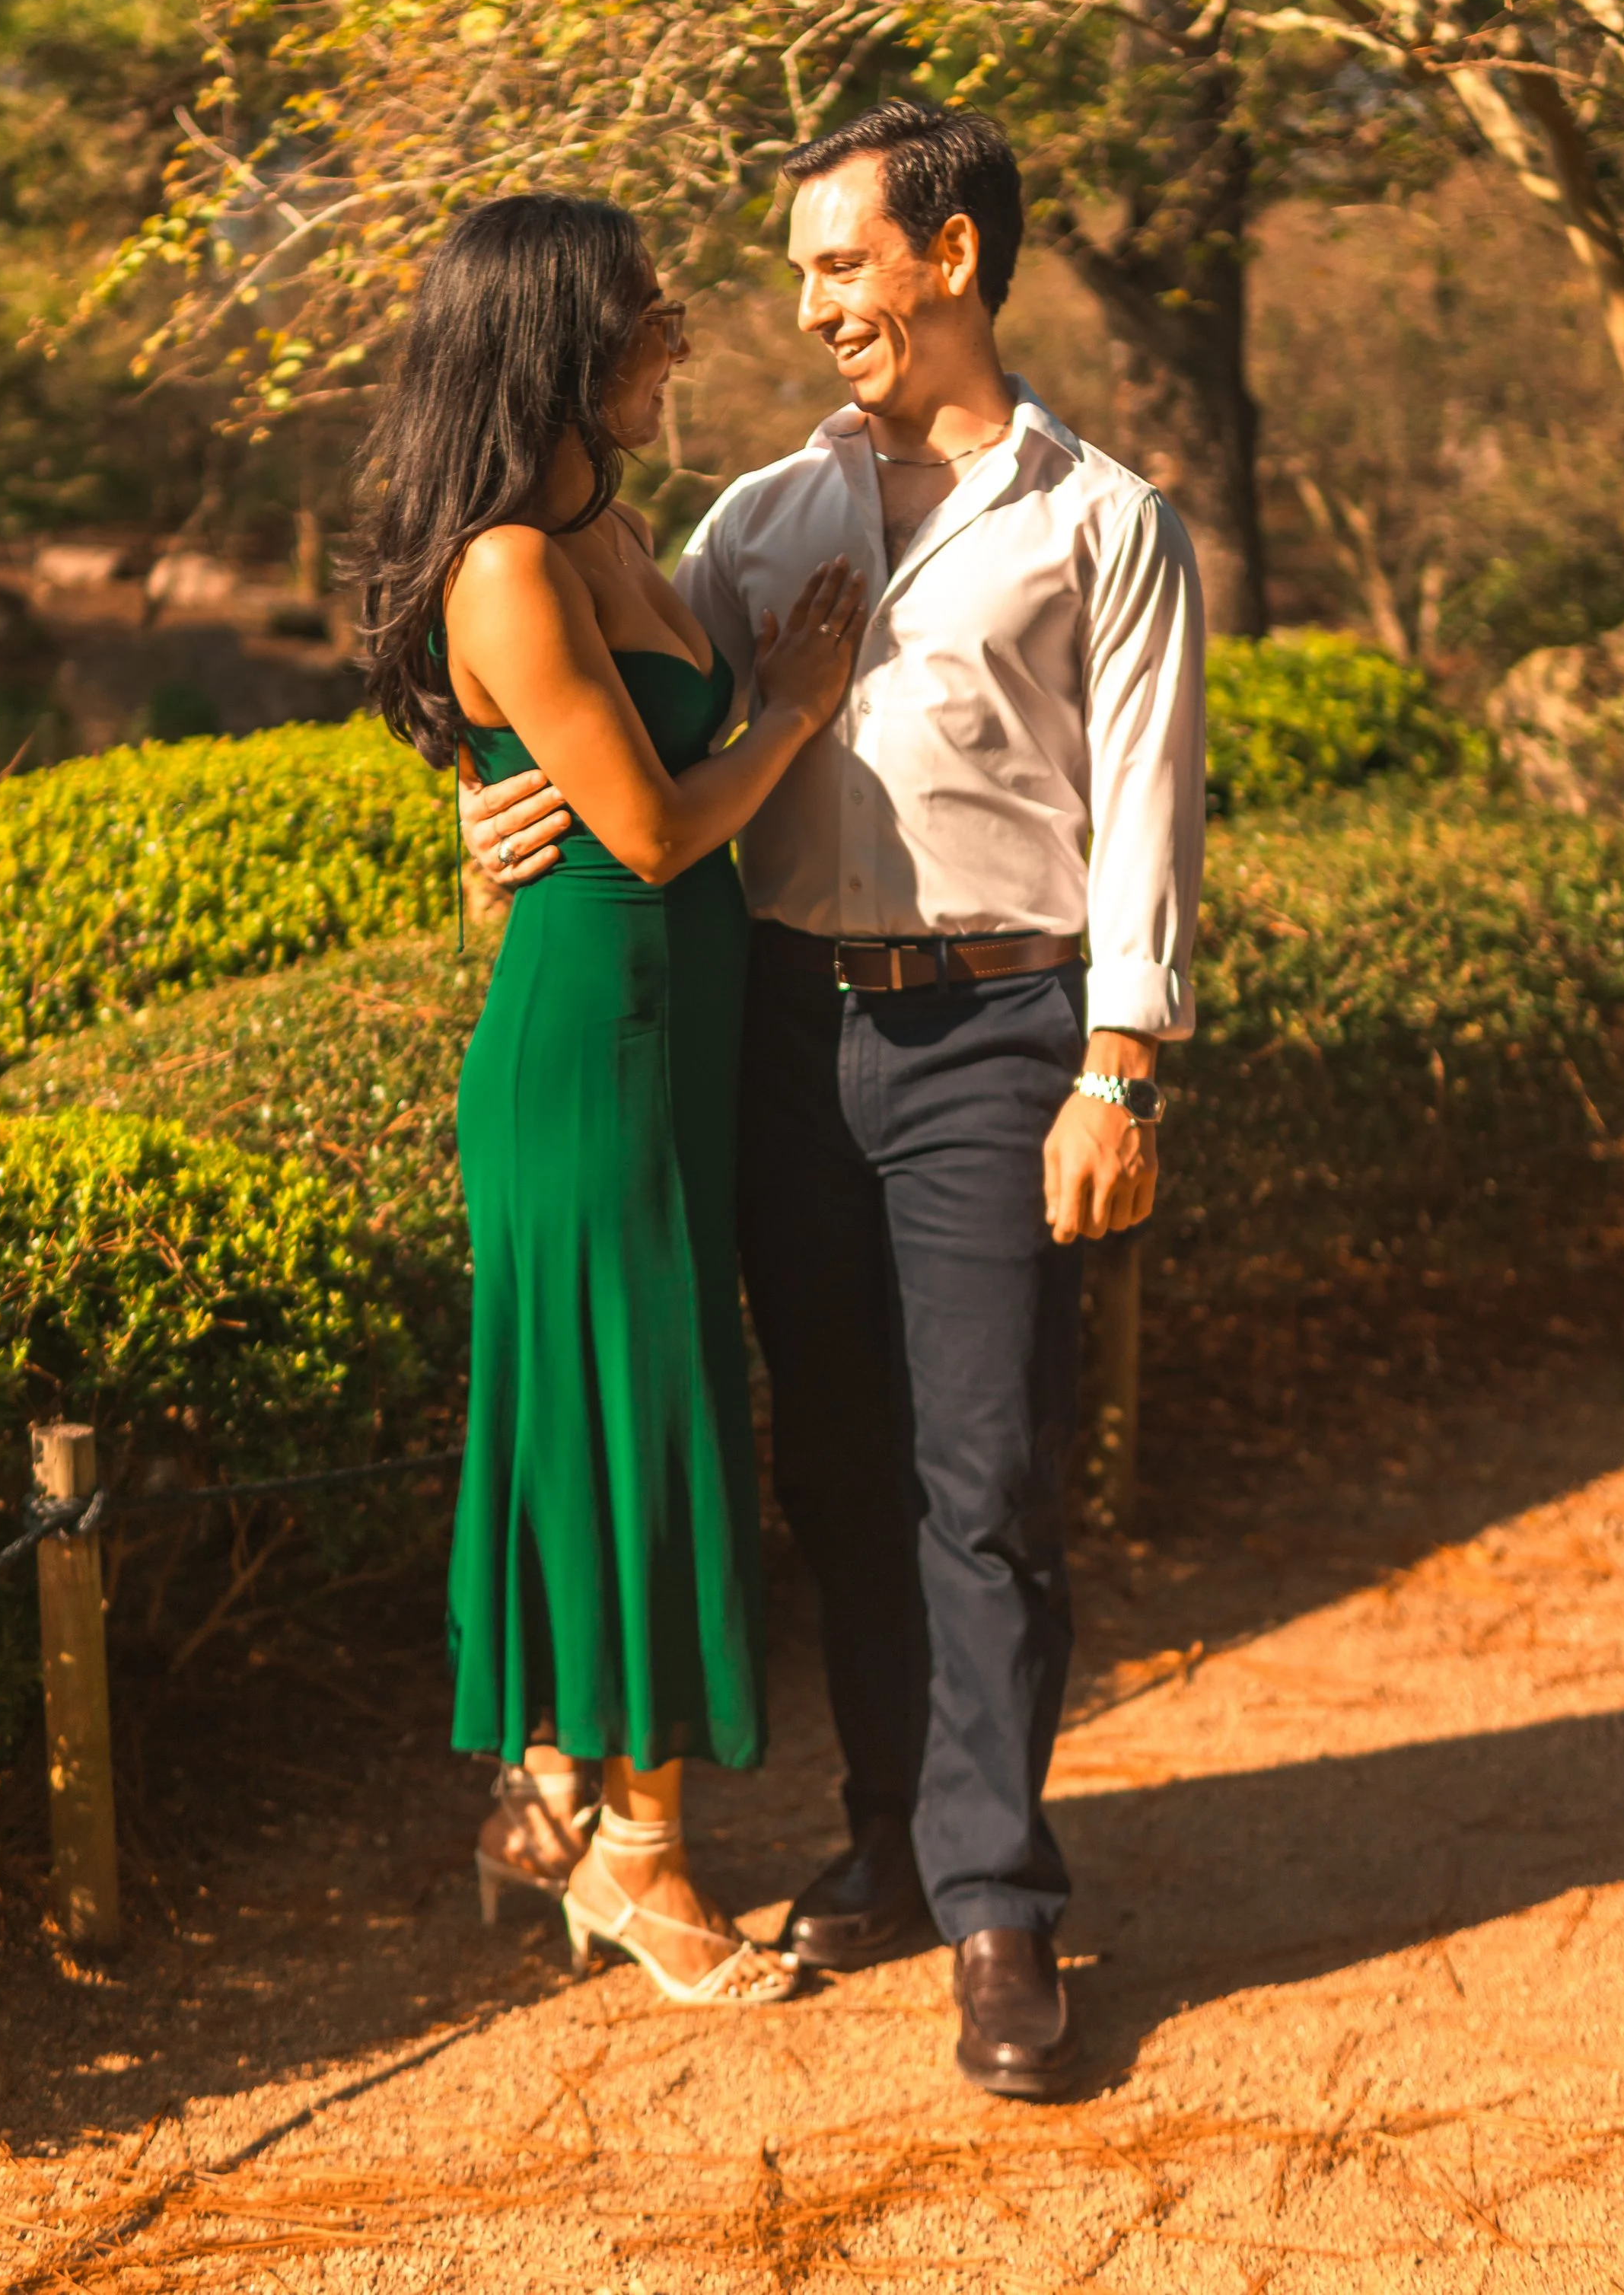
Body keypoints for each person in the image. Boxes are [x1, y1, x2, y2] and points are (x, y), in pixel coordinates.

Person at [463, 104, 1205, 2095]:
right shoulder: (755, 520)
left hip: (998, 1036)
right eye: (798, 270)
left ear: (948, 258)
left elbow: (1143, 819)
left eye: (837, 264)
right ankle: (888, 1832)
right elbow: (635, 746)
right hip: (783, 1039)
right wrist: (488, 823)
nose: (806, 309)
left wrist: (1114, 1066)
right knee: (842, 1472)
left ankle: (996, 1902)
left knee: (982, 1477)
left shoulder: (1101, 516)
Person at [358, 190, 865, 2008]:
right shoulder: (504, 562)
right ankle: (639, 1864)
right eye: (646, 313)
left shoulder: (625, 530)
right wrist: (793, 707)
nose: (677, 336)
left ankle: (551, 1796)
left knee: (614, 1409)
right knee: (640, 1418)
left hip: (675, 1030)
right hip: (592, 1043)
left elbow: (590, 783)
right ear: (563, 343)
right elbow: (648, 831)